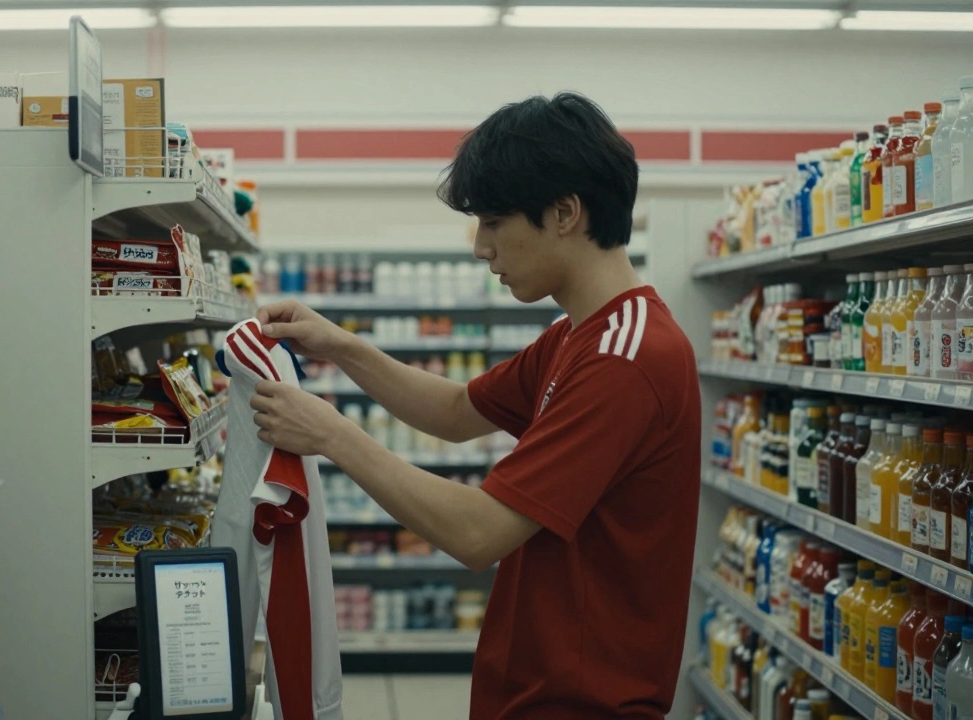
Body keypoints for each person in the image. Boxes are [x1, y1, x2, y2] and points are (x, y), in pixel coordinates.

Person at [248, 92, 701, 720]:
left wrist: (331, 435)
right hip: (532, 690)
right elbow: (459, 411)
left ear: (565, 212)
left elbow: (478, 533)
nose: (481, 247)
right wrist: (341, 345)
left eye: (493, 222)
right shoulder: (578, 333)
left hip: (582, 703)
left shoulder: (624, 358)